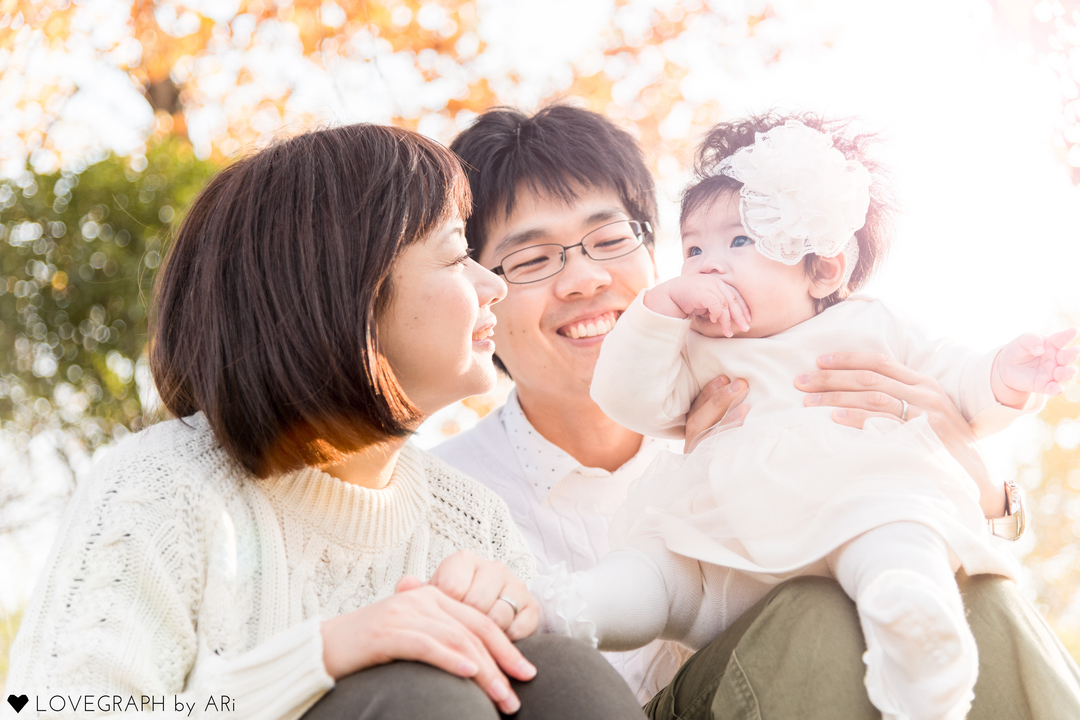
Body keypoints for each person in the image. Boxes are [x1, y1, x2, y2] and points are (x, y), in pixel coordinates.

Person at [433, 105, 1080, 719]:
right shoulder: (440, 501)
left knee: (980, 597)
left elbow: (960, 382)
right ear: (479, 289)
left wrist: (980, 479)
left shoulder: (848, 339)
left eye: (608, 239)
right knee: (814, 613)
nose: (584, 280)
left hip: (857, 567)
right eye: (532, 258)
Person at [2, 124, 648, 720]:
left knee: (562, 674)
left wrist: (514, 611)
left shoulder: (471, 521)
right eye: (457, 258)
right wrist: (316, 657)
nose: (493, 285)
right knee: (417, 695)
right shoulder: (163, 484)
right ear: (348, 293)